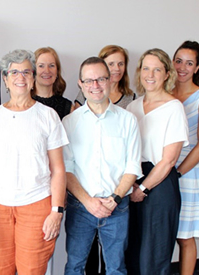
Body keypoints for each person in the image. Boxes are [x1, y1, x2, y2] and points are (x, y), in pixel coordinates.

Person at [0, 49, 67, 275]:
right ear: (5, 79)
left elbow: (58, 169)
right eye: (14, 72)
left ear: (33, 78)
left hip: (37, 205)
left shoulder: (47, 116)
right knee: (0, 269)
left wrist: (56, 211)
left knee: (32, 270)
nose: (21, 77)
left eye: (26, 71)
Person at [62, 57, 142, 274]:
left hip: (117, 206)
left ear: (110, 80)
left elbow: (132, 167)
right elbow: (66, 169)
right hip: (81, 207)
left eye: (100, 79)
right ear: (80, 83)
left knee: (116, 267)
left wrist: (114, 199)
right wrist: (88, 202)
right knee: (75, 266)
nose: (95, 86)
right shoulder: (69, 123)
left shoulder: (128, 120)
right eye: (89, 81)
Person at [125, 48, 189, 275]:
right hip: (133, 179)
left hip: (159, 185)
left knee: (154, 254)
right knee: (132, 250)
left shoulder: (174, 108)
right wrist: (130, 184)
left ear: (166, 74)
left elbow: (169, 160)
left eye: (157, 69)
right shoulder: (132, 107)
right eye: (146, 68)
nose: (150, 74)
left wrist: (142, 188)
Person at [171, 41, 199, 275]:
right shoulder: (165, 94)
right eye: (178, 60)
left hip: (186, 174)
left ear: (198, 67)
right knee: (164, 234)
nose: (182, 67)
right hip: (160, 171)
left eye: (189, 63)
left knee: (185, 236)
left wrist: (176, 172)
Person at [75, 45, 136, 110]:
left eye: (120, 64)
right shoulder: (88, 92)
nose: (117, 68)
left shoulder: (130, 98)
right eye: (111, 64)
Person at [32, 47, 73, 119]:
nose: (47, 71)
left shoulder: (68, 107)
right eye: (41, 66)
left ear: (57, 71)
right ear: (33, 71)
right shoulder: (24, 104)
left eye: (51, 65)